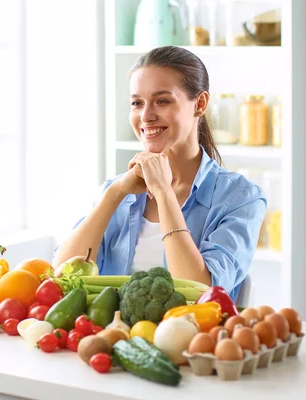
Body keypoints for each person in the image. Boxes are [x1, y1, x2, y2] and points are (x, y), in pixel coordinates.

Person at [52, 46, 267, 303]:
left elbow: (201, 292)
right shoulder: (117, 190)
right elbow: (61, 277)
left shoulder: (241, 199)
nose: (146, 116)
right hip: (109, 338)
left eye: (162, 101)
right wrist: (114, 194)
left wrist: (164, 192)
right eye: (137, 103)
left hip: (192, 340)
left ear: (199, 104)